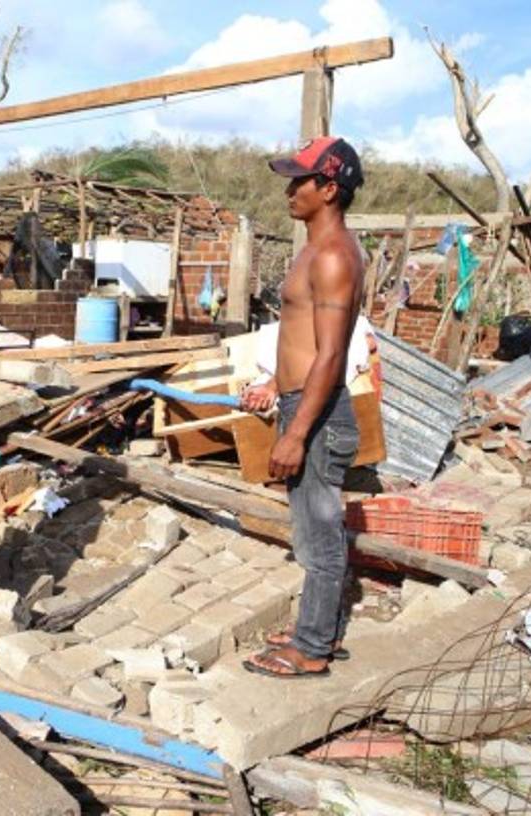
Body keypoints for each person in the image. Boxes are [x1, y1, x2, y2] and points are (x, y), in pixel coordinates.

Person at [240, 136, 366, 678]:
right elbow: (308, 342)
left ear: (329, 189)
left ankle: (312, 649)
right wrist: (277, 380)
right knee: (312, 531)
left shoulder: (334, 255)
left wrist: (296, 434)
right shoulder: (317, 249)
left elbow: (332, 354)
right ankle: (318, 629)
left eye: (300, 181)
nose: (290, 191)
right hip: (301, 402)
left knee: (320, 536)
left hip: (317, 414)